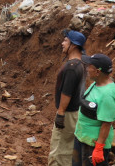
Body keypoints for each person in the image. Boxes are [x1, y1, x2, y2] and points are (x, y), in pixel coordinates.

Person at [73, 54, 115, 166]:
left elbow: (107, 123)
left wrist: (98, 149)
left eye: (89, 66)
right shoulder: (96, 83)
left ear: (98, 72)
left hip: (93, 144)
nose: (87, 69)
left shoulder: (107, 95)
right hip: (83, 137)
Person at [50, 29, 86, 166]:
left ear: (74, 45)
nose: (62, 43)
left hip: (68, 114)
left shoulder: (71, 67)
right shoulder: (80, 63)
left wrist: (60, 113)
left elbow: (67, 92)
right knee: (67, 148)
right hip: (75, 112)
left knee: (59, 150)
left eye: (66, 40)